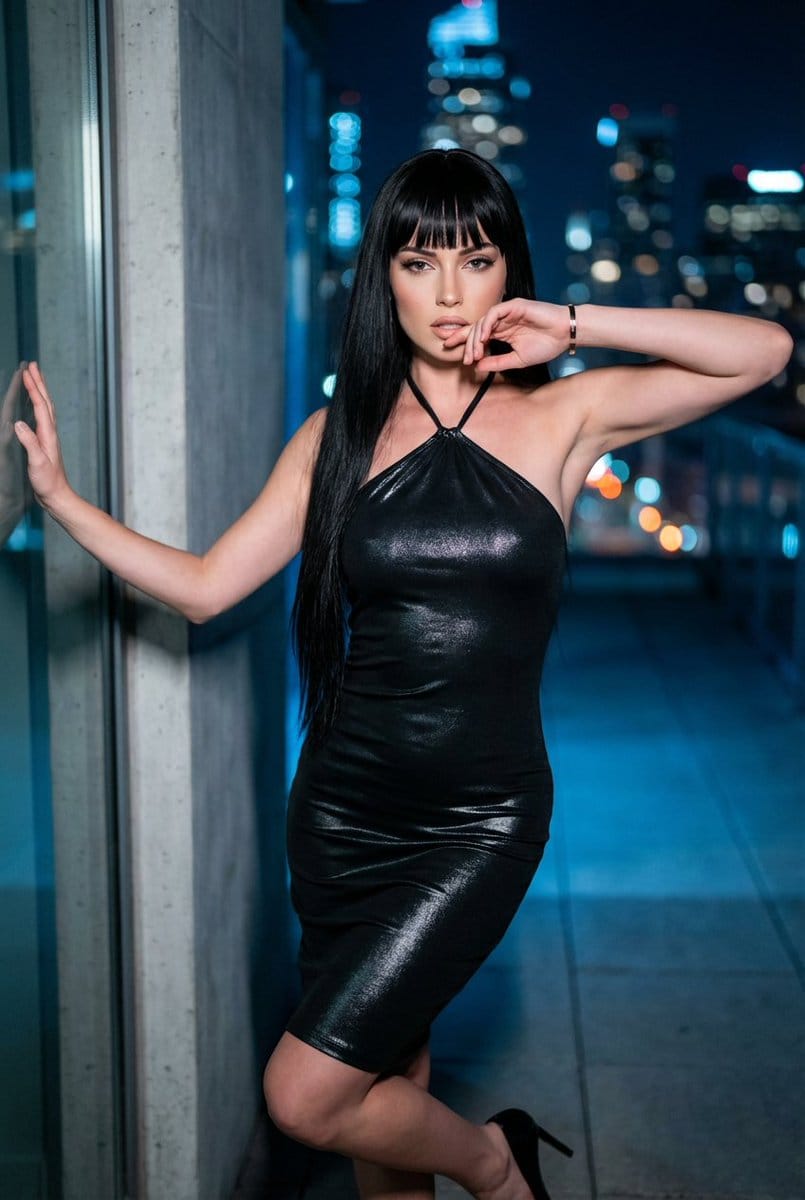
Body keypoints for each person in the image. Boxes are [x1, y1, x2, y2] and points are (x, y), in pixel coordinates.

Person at [14, 148, 792, 1200]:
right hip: (341, 813)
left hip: (479, 819)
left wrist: (571, 324)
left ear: (506, 270)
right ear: (383, 276)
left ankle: (494, 1161)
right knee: (388, 1088)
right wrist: (63, 502)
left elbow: (763, 351)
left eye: (473, 261)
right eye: (419, 264)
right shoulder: (334, 440)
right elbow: (203, 586)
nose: (448, 293)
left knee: (306, 1094)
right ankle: (474, 1157)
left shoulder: (564, 420)